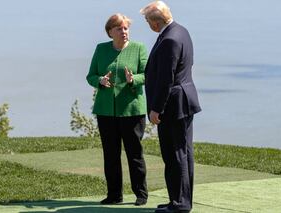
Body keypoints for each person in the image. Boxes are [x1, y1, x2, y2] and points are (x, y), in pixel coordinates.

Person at [140, 1, 201, 213]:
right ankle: (178, 199)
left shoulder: (170, 39)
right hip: (182, 100)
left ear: (156, 22)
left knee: (176, 154)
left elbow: (167, 78)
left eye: (148, 21)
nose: (148, 25)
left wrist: (157, 108)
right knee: (180, 152)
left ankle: (180, 203)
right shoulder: (180, 31)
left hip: (174, 105)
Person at [86, 13, 148, 206]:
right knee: (111, 155)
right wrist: (100, 81)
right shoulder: (101, 49)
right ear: (110, 32)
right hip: (106, 111)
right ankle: (114, 195)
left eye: (126, 28)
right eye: (119, 29)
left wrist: (134, 79)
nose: (124, 32)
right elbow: (91, 76)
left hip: (132, 111)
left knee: (134, 154)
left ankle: (141, 194)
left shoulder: (139, 49)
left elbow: (147, 74)